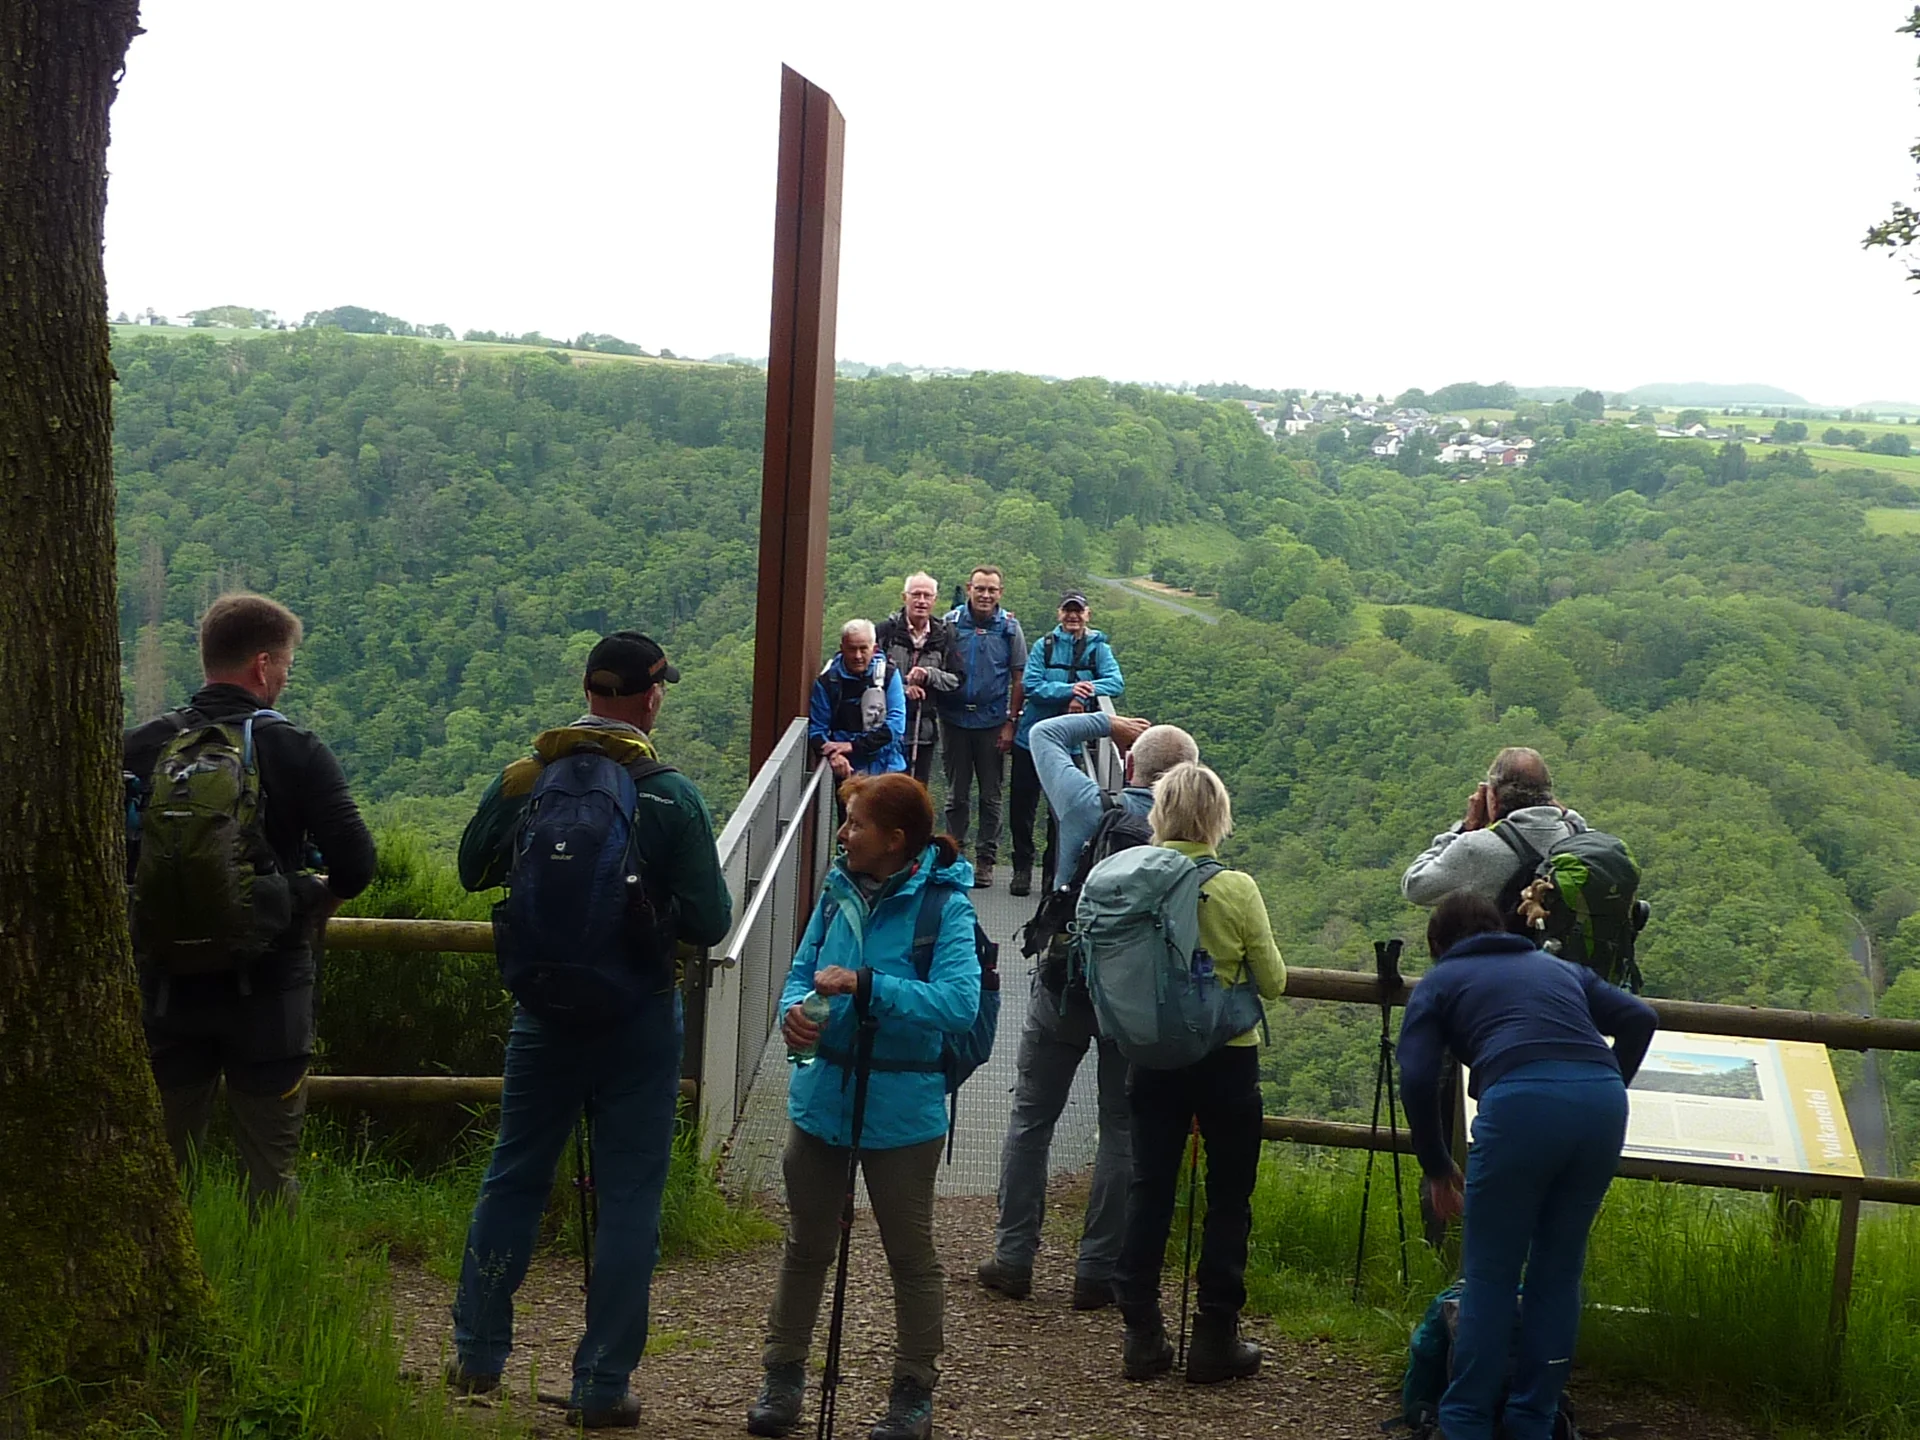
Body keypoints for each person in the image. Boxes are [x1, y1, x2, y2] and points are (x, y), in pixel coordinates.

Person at [448, 631, 733, 1430]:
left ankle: (476, 1353)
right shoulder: (671, 794)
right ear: (650, 697)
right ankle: (602, 1384)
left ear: (586, 690)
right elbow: (711, 921)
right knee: (630, 1195)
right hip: (639, 1015)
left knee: (514, 1176)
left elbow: (473, 869)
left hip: (542, 1013)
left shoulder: (526, 778)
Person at [123, 591, 376, 1213]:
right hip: (269, 990)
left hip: (166, 989)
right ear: (262, 665)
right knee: (270, 1166)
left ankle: (161, 1288)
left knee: (163, 1164)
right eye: (286, 664)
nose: (286, 677)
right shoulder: (297, 750)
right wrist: (312, 899)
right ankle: (274, 1287)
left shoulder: (142, 747)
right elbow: (357, 863)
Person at [748, 774, 983, 1440]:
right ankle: (783, 1375)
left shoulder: (946, 908)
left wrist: (868, 984)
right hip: (824, 1094)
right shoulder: (836, 890)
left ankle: (913, 1393)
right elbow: (801, 971)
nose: (843, 833)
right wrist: (794, 1013)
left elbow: (959, 1006)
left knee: (910, 1254)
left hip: (902, 1108)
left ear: (894, 839)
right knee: (805, 1246)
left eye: (853, 823)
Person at [1397, 892, 1657, 1440]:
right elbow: (1640, 1017)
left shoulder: (1441, 981)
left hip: (1517, 1106)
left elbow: (1418, 1078)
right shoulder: (1558, 968)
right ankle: (1532, 1421)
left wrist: (1438, 1167)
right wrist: (1604, 1082)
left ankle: (1465, 1421)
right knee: (1558, 1272)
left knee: (1491, 1274)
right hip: (1602, 1107)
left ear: (1438, 946)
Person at [978, 713, 1196, 1311]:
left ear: (1129, 765)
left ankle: (1014, 1256)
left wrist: (1109, 724)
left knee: (1031, 1118)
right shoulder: (1184, 829)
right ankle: (1097, 1270)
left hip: (1065, 986)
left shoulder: (1087, 807)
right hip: (1135, 1007)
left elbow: (1043, 734)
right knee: (1120, 1128)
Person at [1114, 763, 1286, 1385]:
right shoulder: (1236, 888)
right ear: (1218, 817)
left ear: (1159, 813)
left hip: (1153, 1054)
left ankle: (1142, 1333)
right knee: (1229, 1197)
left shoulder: (1134, 877)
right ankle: (1215, 1334)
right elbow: (1274, 981)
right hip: (1226, 1058)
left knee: (1149, 1187)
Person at [1008, 590, 1124, 897]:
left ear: (1088, 614)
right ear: (1059, 613)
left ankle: (1051, 876)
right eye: (1068, 611)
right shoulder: (1044, 646)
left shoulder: (1098, 647)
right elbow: (1032, 686)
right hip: (1031, 739)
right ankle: (1022, 868)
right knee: (1022, 806)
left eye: (1078, 611)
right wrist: (1073, 689)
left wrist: (1082, 694)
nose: (1073, 616)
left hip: (1070, 747)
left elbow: (1115, 682)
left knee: (1061, 813)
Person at [1401, 747, 1586, 910]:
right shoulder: (1580, 838)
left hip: (1509, 949)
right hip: (1571, 950)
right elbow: (1578, 824)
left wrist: (1465, 828)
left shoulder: (1476, 847)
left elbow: (1415, 886)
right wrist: (1563, 812)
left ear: (1493, 797)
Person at [939, 566, 1028, 889]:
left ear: (1000, 592)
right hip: (954, 721)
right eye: (980, 588)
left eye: (992, 590)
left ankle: (985, 861)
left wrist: (1011, 721)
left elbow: (1020, 677)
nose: (986, 595)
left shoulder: (1009, 628)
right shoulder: (950, 624)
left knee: (991, 796)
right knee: (956, 795)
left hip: (992, 722)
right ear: (969, 588)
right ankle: (954, 856)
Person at [874, 573, 965, 788]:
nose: (921, 601)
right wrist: (902, 689)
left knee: (916, 791)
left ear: (935, 600)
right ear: (904, 597)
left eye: (927, 595)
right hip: (884, 729)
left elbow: (958, 680)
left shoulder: (945, 635)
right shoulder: (885, 632)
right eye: (916, 595)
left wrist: (929, 674)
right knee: (885, 792)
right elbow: (871, 677)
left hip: (923, 730)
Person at [811, 618, 908, 786]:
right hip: (849, 772)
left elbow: (896, 726)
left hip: (888, 769)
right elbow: (816, 730)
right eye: (851, 649)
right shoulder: (827, 683)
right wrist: (833, 754)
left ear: (874, 649)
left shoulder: (889, 675)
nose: (857, 656)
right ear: (842, 649)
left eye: (863, 649)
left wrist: (852, 746)